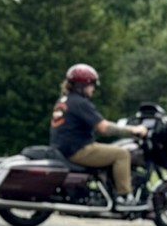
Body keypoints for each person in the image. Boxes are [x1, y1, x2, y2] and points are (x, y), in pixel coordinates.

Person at [49, 63, 148, 208]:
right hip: (78, 150)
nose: (93, 89)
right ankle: (124, 197)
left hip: (64, 148)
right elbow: (104, 127)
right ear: (82, 85)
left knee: (111, 151)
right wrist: (133, 129)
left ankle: (110, 188)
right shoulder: (80, 102)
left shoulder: (65, 100)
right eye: (91, 85)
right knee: (121, 154)